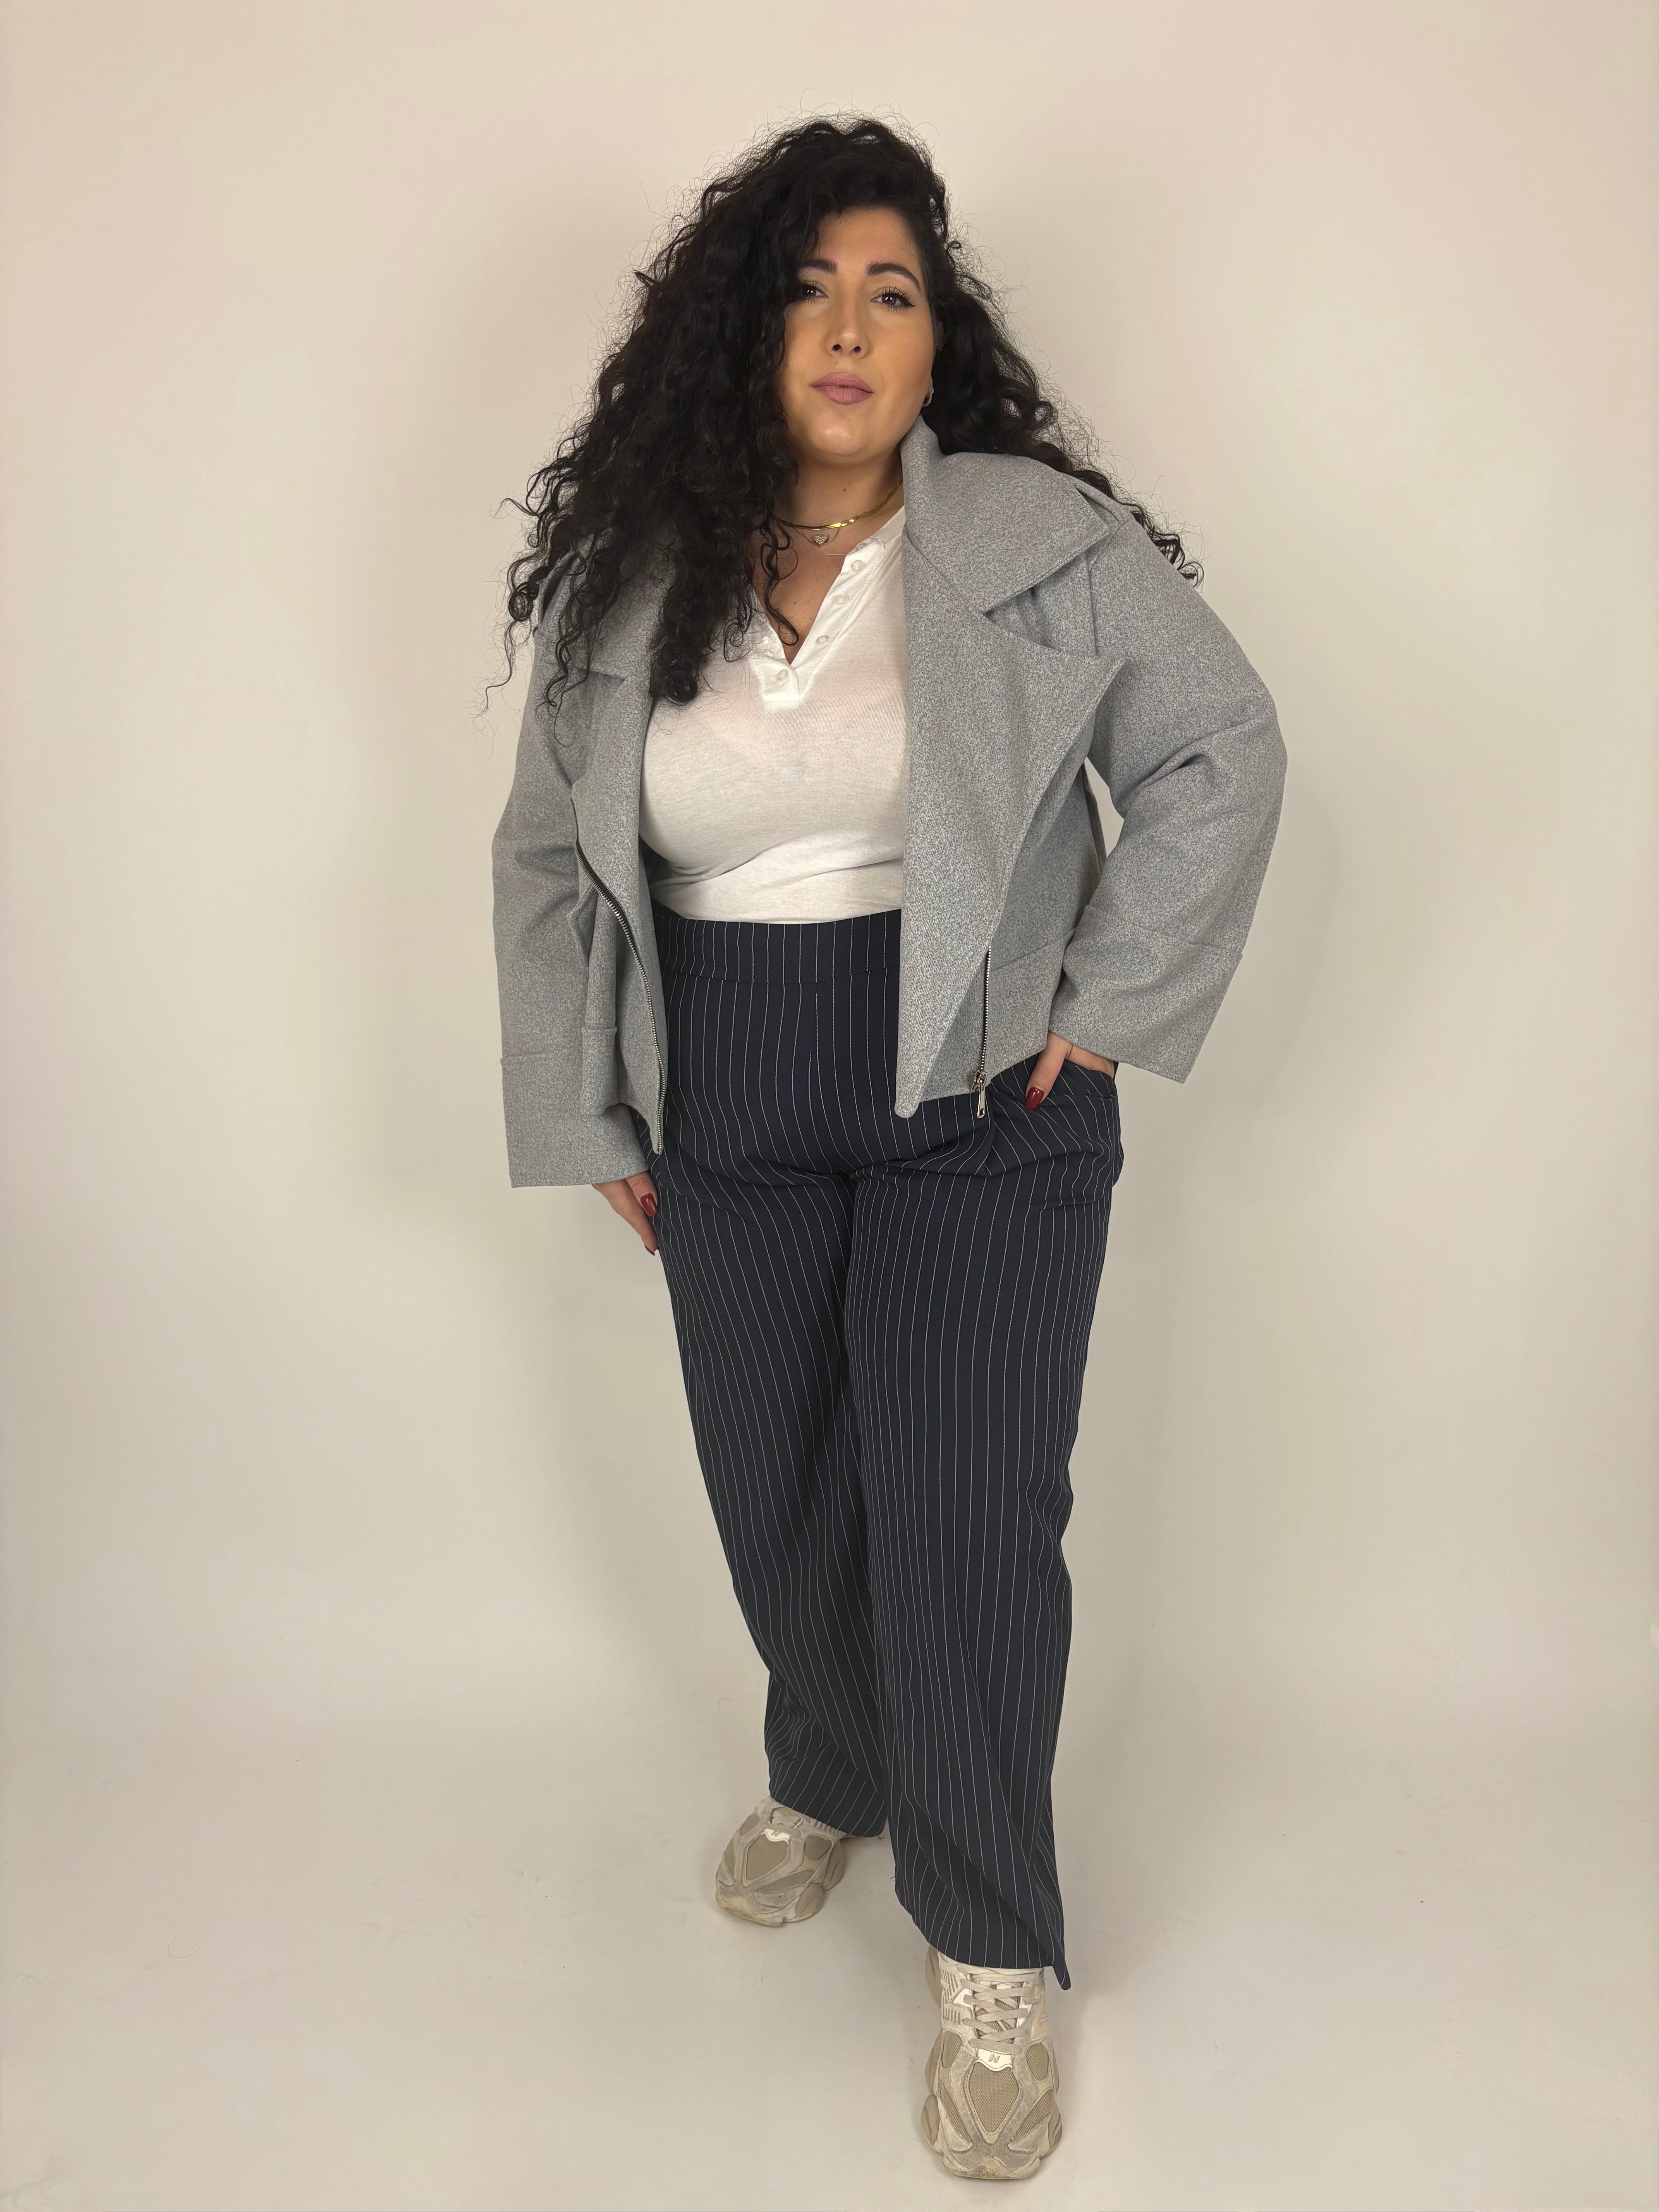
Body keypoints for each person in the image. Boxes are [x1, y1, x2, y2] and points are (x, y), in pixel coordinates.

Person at [492, 115, 1286, 2182]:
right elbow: (548, 858)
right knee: (780, 1496)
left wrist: (1105, 1003)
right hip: (729, 1096)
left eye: (894, 290)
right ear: (743, 334)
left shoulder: (1027, 538)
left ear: (942, 341)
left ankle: (991, 1947)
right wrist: (587, 1101)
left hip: (983, 1098)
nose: (850, 326)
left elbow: (1219, 744)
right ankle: (833, 1765)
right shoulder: (639, 573)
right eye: (810, 288)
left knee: (963, 1521)